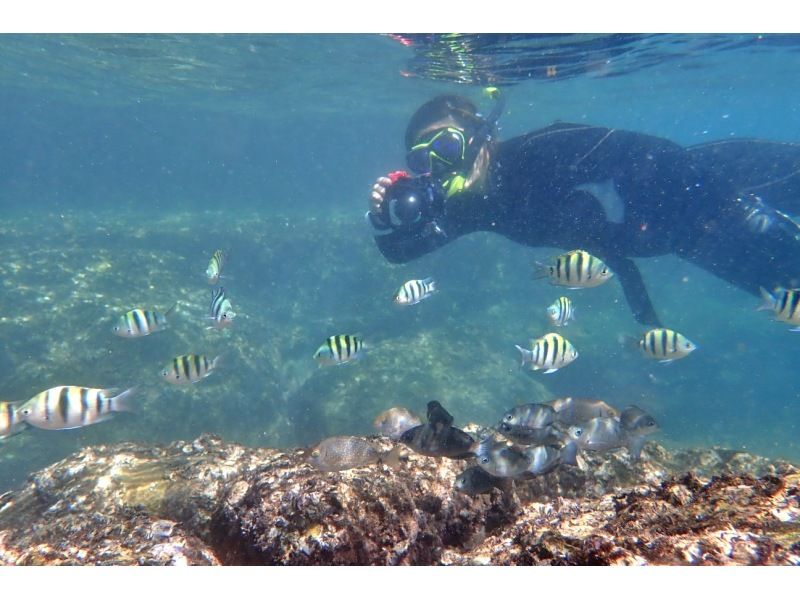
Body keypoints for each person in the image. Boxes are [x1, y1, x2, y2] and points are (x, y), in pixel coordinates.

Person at [366, 93, 800, 326]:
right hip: (693, 240)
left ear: (482, 136)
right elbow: (399, 253)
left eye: (446, 146)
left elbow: (655, 154)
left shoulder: (543, 149)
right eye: (425, 161)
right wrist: (383, 219)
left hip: (727, 180)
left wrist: (724, 207)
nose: (443, 166)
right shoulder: (474, 206)